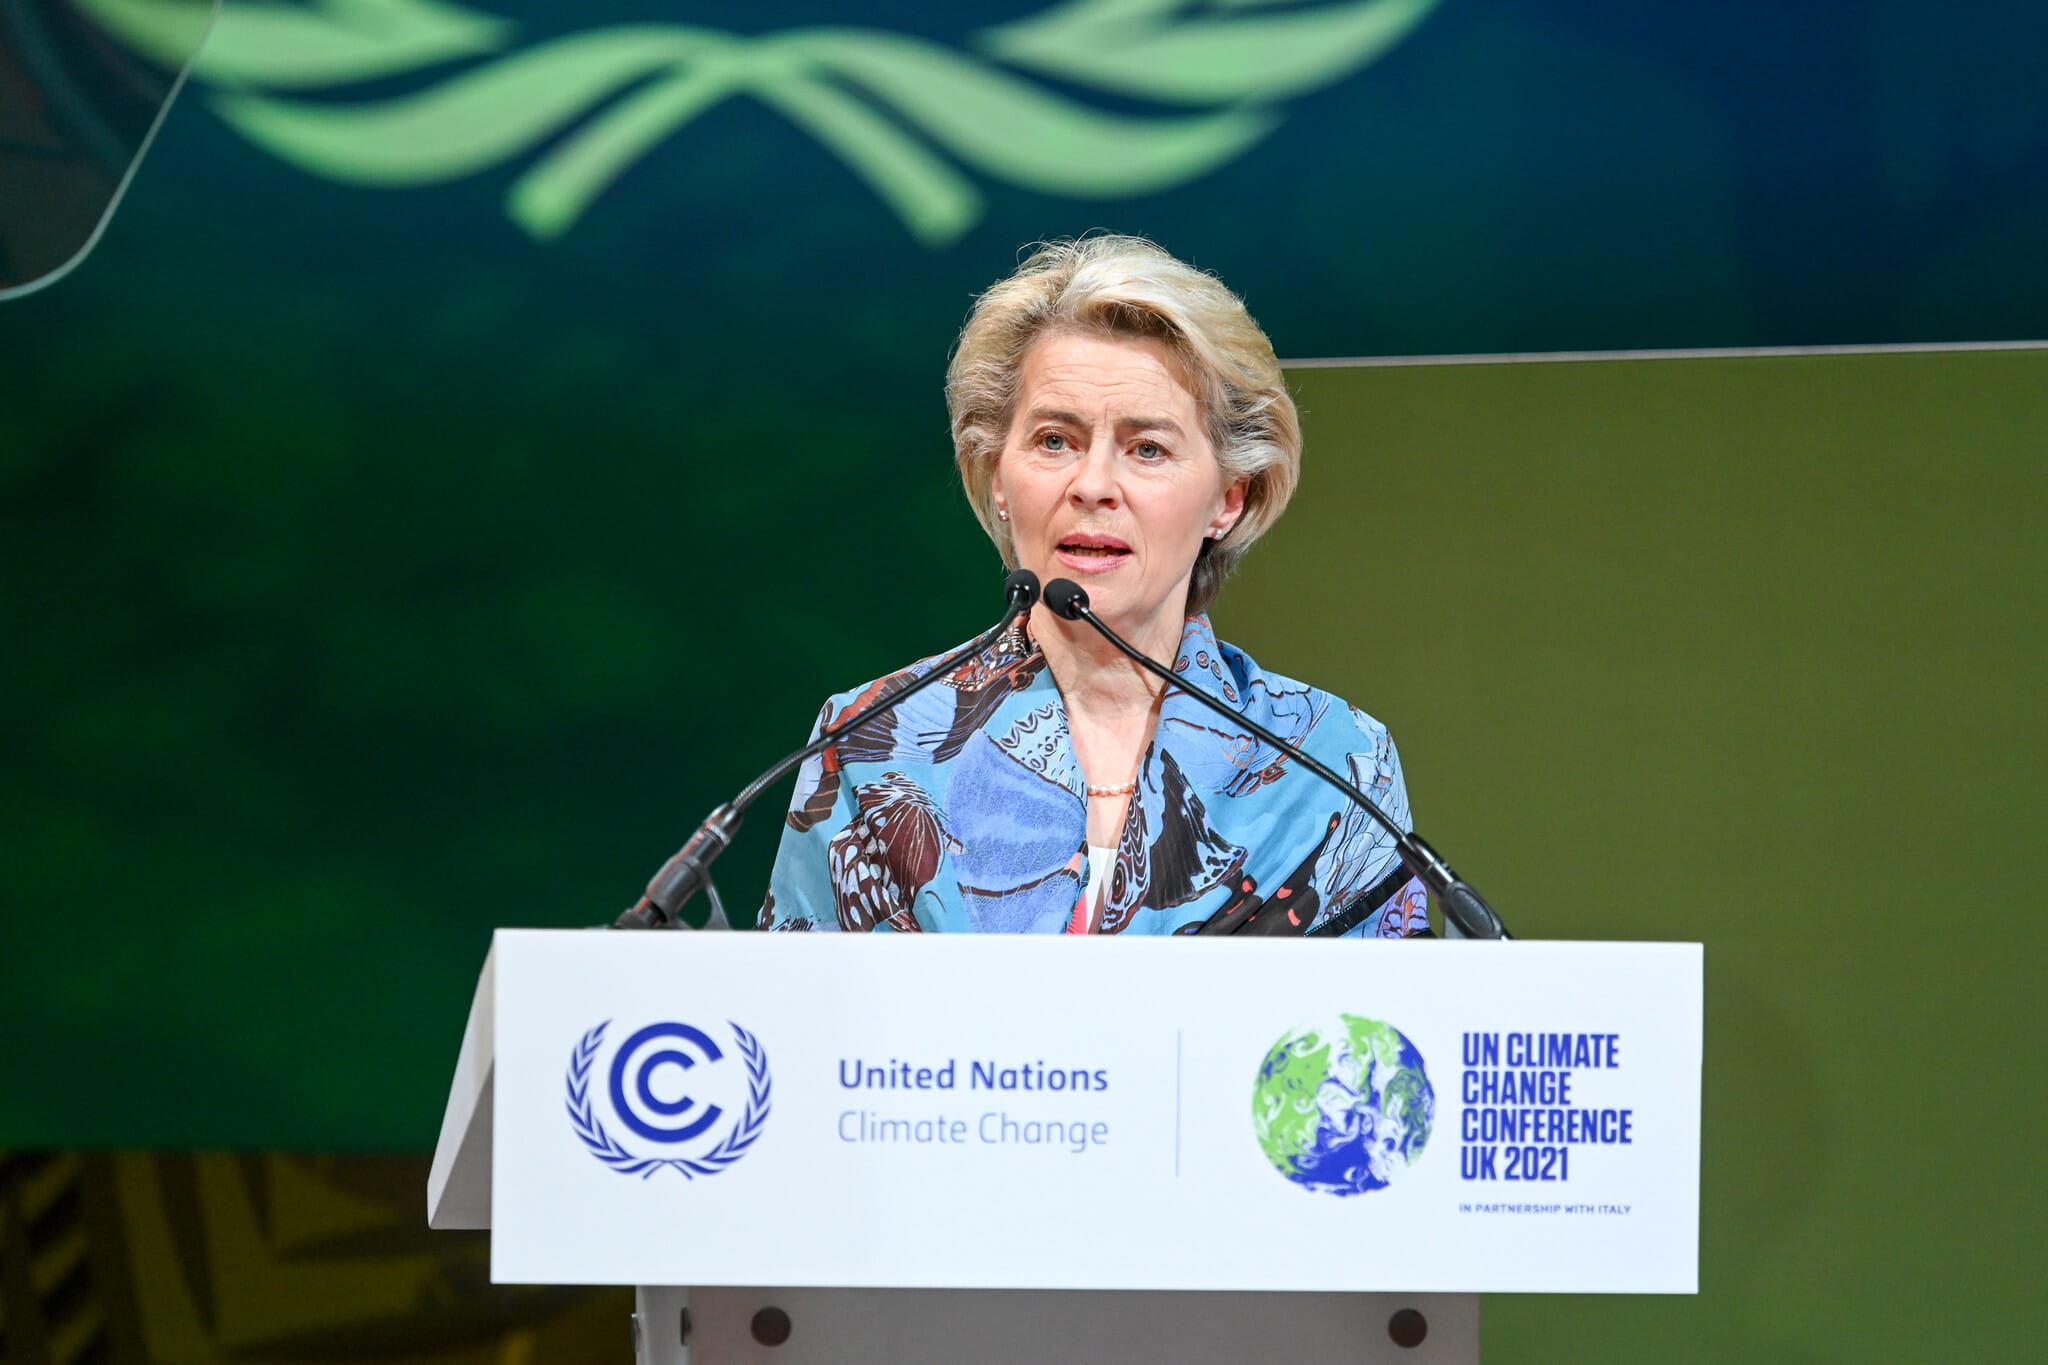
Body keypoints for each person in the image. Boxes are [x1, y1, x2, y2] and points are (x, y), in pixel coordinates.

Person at [759, 235, 1426, 937]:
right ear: (996, 474)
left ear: (1228, 497)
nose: (1094, 486)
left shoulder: (1332, 759)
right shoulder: (873, 743)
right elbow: (800, 1028)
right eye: (1055, 440)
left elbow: (1385, 1040)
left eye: (1148, 448)